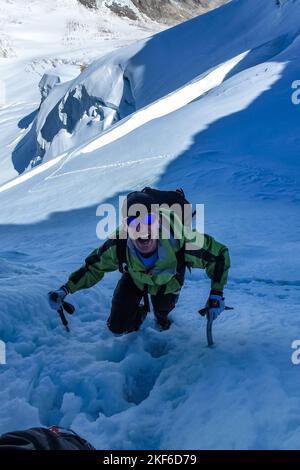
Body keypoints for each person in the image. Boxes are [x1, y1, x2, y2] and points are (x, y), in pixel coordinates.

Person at [49, 191, 230, 333]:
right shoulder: (119, 244)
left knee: (162, 314)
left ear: (158, 221)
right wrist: (65, 289)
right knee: (117, 327)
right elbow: (94, 266)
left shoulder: (181, 239)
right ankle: (140, 316)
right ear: (126, 227)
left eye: (148, 219)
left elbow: (219, 255)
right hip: (135, 279)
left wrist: (216, 294)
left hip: (168, 283)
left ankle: (160, 318)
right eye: (133, 221)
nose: (142, 228)